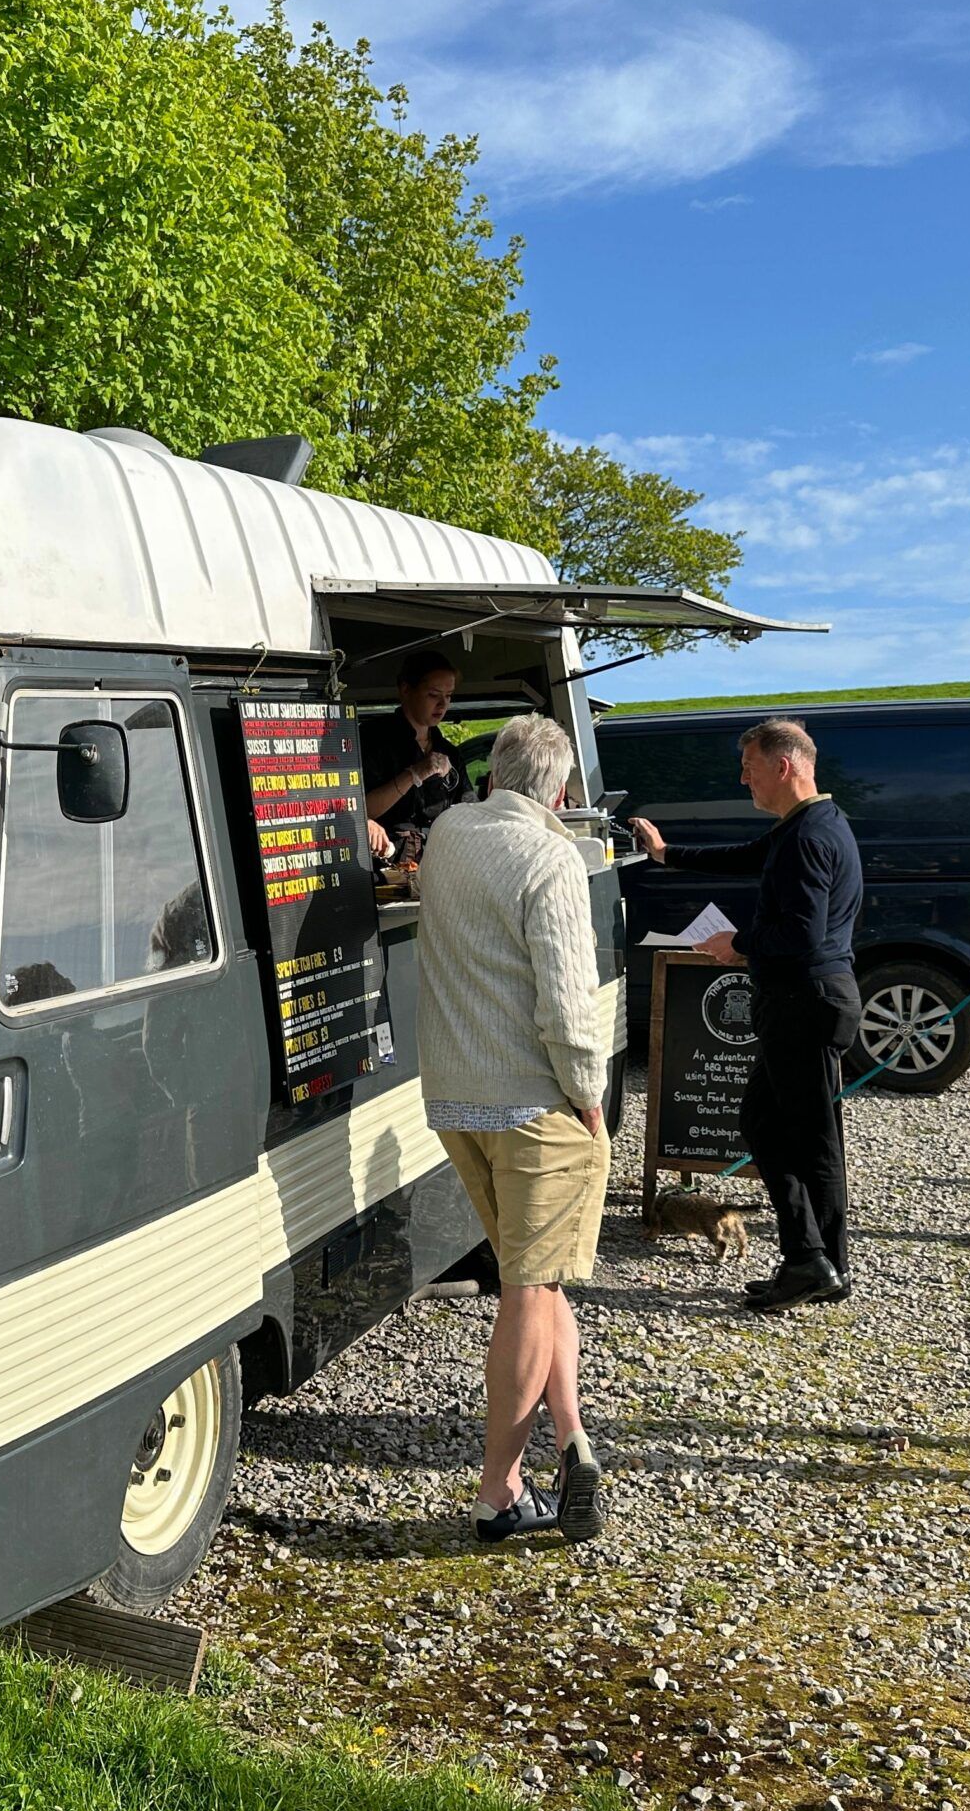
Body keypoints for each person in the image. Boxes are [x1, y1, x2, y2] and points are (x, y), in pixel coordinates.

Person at [417, 714, 609, 1545]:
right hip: (534, 1105)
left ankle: (573, 1442)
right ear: (561, 792)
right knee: (531, 1289)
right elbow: (568, 1007)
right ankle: (498, 1490)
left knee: (540, 1279)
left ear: (493, 773)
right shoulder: (550, 856)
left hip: (455, 1100)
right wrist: (591, 1095)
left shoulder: (449, 832)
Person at [629, 718, 864, 1313]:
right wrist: (665, 854)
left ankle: (816, 1262)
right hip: (803, 1003)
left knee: (804, 1140)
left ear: (784, 766)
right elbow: (744, 856)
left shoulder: (810, 836)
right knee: (776, 1128)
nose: (743, 779)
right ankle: (815, 1262)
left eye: (750, 768)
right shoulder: (804, 826)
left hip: (805, 1002)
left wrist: (741, 944)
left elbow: (801, 935)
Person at [360, 650, 474, 855]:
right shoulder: (373, 738)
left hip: (437, 860)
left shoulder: (449, 752)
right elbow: (359, 807)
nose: (443, 704)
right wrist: (414, 774)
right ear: (405, 689)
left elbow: (470, 810)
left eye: (448, 696)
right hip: (384, 863)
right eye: (433, 695)